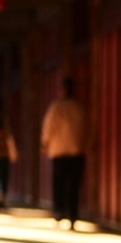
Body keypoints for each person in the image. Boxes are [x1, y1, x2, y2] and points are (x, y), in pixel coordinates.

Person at [40, 75, 87, 228]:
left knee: (58, 182)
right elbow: (85, 127)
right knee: (73, 185)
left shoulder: (56, 107)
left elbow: (48, 127)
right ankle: (72, 215)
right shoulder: (78, 107)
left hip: (58, 151)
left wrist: (45, 144)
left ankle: (59, 210)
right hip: (76, 150)